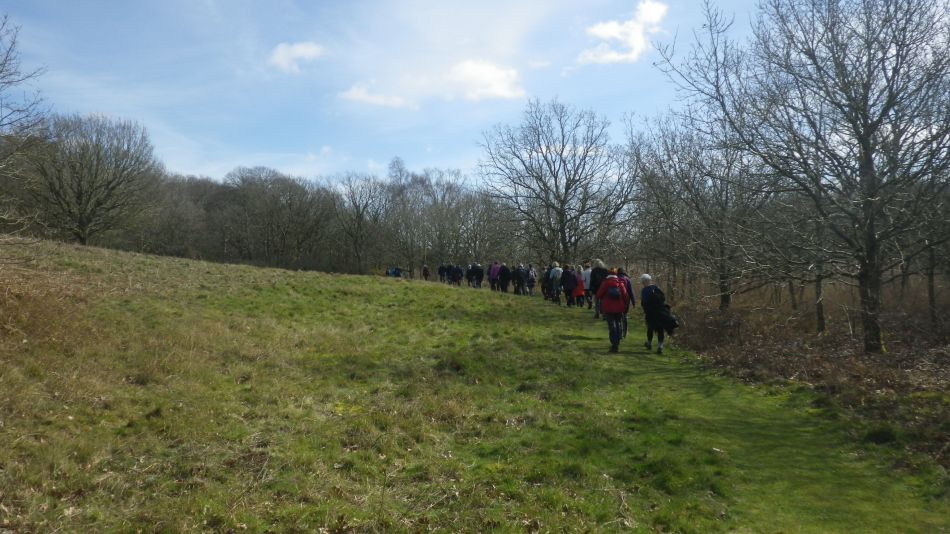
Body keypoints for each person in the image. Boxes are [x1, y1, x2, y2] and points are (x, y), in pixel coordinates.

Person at [596, 268, 630, 353]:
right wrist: (625, 305)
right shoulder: (620, 283)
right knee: (618, 324)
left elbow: (598, 295)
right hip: (619, 308)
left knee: (611, 326)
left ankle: (614, 344)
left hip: (608, 308)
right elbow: (626, 296)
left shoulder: (605, 283)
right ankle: (617, 341)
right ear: (616, 274)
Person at [640, 274, 666, 354]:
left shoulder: (644, 290)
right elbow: (663, 299)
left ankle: (649, 343)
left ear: (643, 282)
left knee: (650, 328)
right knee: (660, 329)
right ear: (650, 280)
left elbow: (643, 302)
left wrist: (645, 310)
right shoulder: (656, 288)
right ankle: (660, 345)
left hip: (650, 313)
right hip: (660, 312)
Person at [617, 268, 635, 339]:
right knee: (624, 316)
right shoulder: (627, 279)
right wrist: (633, 301)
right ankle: (625, 333)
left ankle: (620, 333)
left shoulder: (616, 279)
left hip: (617, 300)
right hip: (626, 300)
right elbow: (630, 292)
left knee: (618, 317)